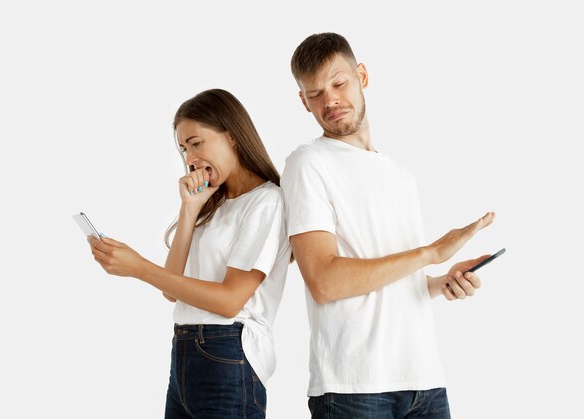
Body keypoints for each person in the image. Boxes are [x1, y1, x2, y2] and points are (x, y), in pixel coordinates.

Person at [281, 32, 496, 418]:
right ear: (303, 102)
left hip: (425, 382)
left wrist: (437, 282)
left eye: (338, 82)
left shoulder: (401, 177)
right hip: (354, 389)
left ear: (362, 75)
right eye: (314, 94)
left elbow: (393, 280)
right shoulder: (308, 163)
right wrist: (429, 253)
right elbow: (324, 282)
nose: (329, 100)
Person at [88, 88, 291, 418]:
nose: (190, 158)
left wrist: (139, 267)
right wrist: (190, 210)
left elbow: (229, 300)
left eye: (196, 143)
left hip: (228, 353)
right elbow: (172, 289)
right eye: (183, 148)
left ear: (233, 136)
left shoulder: (266, 202)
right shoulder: (214, 205)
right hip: (185, 352)